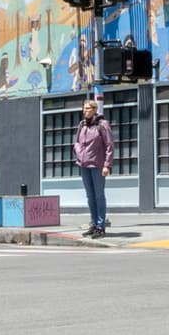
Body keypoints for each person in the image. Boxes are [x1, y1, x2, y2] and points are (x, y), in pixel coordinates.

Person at [73, 98, 114, 237]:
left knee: (99, 195)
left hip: (97, 165)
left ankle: (101, 226)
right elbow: (77, 142)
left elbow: (109, 145)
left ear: (94, 110)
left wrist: (107, 165)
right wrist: (79, 153)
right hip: (84, 165)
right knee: (90, 196)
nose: (85, 111)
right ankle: (94, 223)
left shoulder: (102, 125)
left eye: (87, 108)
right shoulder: (82, 125)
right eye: (84, 108)